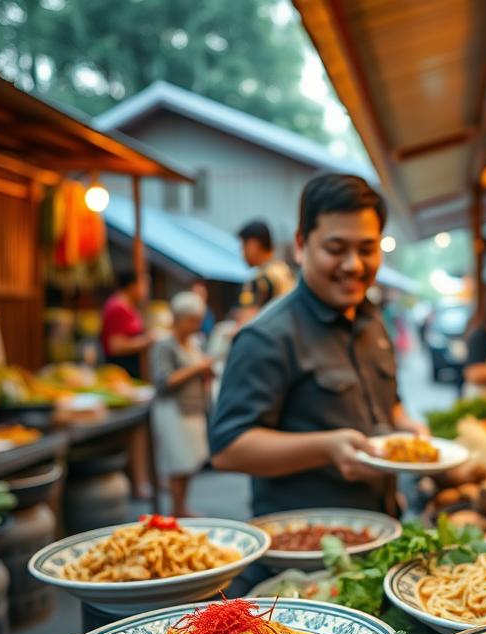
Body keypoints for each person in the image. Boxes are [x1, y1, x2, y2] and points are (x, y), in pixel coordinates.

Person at [210, 174, 424, 516]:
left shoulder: (373, 321)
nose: (353, 265)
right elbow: (229, 449)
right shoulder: (267, 335)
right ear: (300, 244)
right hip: (305, 548)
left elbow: (389, 404)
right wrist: (327, 448)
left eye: (367, 249)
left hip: (382, 525)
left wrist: (406, 426)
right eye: (335, 249)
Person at [151, 292, 214, 517]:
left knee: (189, 463)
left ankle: (181, 507)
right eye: (194, 320)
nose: (197, 325)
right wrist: (199, 368)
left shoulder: (194, 343)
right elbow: (164, 380)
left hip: (193, 409)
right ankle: (176, 509)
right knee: (177, 464)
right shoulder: (165, 345)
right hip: (173, 411)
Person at [100, 269, 153, 378]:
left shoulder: (128, 306)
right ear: (133, 286)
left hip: (128, 369)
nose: (147, 290)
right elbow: (116, 346)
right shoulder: (118, 307)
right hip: (120, 370)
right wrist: (148, 339)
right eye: (145, 285)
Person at [237, 219, 295, 309]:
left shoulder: (262, 279)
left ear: (254, 245)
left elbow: (249, 317)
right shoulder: (285, 271)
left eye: (244, 245)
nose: (242, 253)